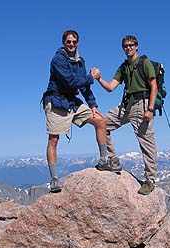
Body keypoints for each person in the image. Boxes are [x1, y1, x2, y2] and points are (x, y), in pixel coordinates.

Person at [42, 30, 111, 193]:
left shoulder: (80, 61)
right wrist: (92, 77)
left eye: (74, 42)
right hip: (57, 102)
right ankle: (54, 180)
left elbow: (84, 87)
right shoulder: (58, 59)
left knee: (100, 121)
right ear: (64, 43)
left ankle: (104, 160)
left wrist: (93, 105)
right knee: (53, 139)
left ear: (78, 43)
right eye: (68, 42)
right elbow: (71, 82)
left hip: (72, 102)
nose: (71, 44)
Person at [93, 35, 158, 195]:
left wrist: (150, 109)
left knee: (146, 143)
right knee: (102, 123)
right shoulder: (123, 67)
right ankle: (113, 160)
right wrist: (99, 78)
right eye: (125, 46)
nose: (128, 48)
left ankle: (150, 181)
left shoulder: (144, 63)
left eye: (131, 45)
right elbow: (110, 87)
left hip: (142, 105)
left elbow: (154, 86)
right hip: (126, 105)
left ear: (137, 46)